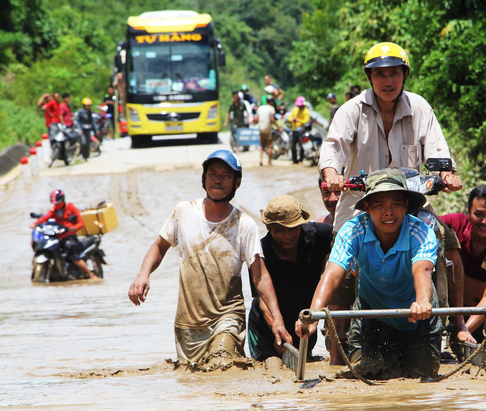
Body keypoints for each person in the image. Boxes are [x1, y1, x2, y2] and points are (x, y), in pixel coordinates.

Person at [318, 42, 465, 360]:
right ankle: (335, 351)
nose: (388, 81)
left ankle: (452, 326)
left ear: (404, 75)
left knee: (444, 241)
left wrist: (447, 174)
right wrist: (331, 171)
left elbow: (438, 154)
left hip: (409, 204)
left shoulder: (420, 108)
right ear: (370, 77)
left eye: (394, 73)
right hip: (360, 204)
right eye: (380, 74)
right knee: (341, 276)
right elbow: (333, 147)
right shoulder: (352, 110)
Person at [128, 150, 290, 367]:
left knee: (222, 361)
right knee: (193, 380)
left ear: (237, 183)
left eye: (225, 175)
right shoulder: (183, 212)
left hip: (228, 316)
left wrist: (277, 320)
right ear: (203, 178)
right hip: (189, 323)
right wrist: (142, 274)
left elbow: (260, 275)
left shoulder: (244, 224)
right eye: (213, 173)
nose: (218, 179)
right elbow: (159, 246)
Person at [297, 168, 442, 379]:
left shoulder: (420, 232)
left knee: (420, 382)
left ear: (406, 206)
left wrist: (421, 302)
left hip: (419, 317)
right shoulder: (353, 230)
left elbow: (423, 269)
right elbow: (333, 274)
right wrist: (313, 315)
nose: (388, 212)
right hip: (371, 315)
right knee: (363, 379)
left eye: (396, 204)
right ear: (366, 207)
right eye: (379, 205)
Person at [248, 195, 333, 363]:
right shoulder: (260, 252)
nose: (288, 236)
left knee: (304, 366)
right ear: (269, 229)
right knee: (271, 367)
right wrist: (275, 326)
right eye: (280, 230)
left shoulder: (319, 236)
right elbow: (262, 300)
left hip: (304, 323)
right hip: (265, 328)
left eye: (293, 229)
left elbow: (347, 236)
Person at [440, 184, 486, 344]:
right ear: (469, 211)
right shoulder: (453, 224)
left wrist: (463, 329)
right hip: (453, 313)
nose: (485, 222)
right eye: (478, 214)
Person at [30, 189, 100, 280]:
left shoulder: (71, 208)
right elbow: (45, 218)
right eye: (54, 203)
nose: (56, 205)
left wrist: (74, 228)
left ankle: (91, 275)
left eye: (57, 203)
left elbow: (81, 223)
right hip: (59, 236)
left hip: (69, 236)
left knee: (73, 256)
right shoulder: (54, 210)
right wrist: (35, 224)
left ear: (62, 200)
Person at [254, 95, 280, 166]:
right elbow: (272, 120)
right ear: (271, 102)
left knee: (262, 146)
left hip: (261, 129)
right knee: (269, 146)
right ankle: (269, 161)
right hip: (268, 129)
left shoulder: (260, 108)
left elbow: (256, 119)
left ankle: (261, 160)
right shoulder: (271, 108)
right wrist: (279, 127)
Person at [288, 96, 311, 164]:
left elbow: (306, 120)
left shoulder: (306, 111)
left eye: (300, 105)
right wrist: (292, 119)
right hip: (294, 130)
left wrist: (298, 120)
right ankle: (294, 160)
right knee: (293, 145)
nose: (299, 106)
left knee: (302, 146)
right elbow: (290, 117)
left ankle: (301, 160)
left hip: (302, 131)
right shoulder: (294, 109)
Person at [75, 97, 97, 162]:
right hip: (82, 130)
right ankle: (83, 156)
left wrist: (96, 129)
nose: (88, 107)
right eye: (87, 105)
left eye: (89, 105)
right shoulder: (81, 112)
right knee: (83, 142)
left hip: (88, 130)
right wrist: (79, 128)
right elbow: (78, 121)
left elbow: (92, 121)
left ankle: (86, 156)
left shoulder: (90, 112)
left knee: (87, 143)